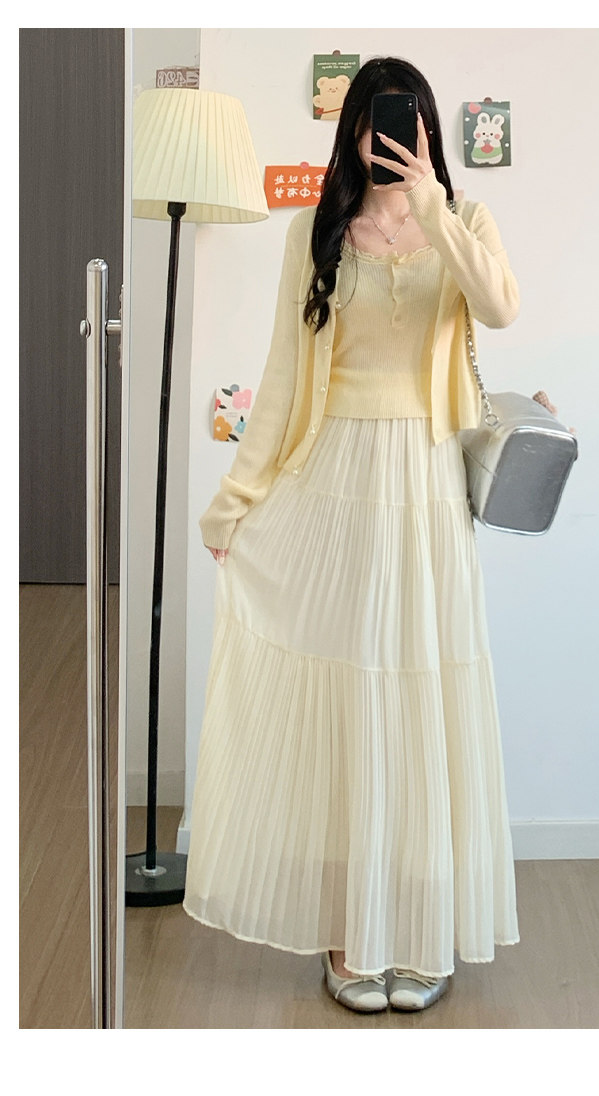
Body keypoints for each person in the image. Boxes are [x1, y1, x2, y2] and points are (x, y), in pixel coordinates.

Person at [182, 56, 520, 1014]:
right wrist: (235, 502)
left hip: (425, 483)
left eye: (407, 120)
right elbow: (284, 375)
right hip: (333, 482)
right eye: (379, 120)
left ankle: (417, 931)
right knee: (351, 709)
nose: (392, 135)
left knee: (419, 702)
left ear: (427, 130)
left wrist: (434, 206)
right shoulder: (317, 229)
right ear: (353, 130)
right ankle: (350, 933)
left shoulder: (466, 220)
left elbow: (500, 308)